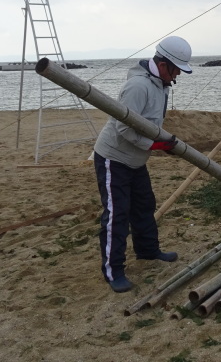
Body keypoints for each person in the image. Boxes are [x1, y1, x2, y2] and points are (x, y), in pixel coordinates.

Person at [93, 35, 192, 292]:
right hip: (114, 158)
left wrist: (161, 141)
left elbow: (151, 123)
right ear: (163, 64)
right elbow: (123, 128)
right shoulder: (138, 87)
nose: (178, 75)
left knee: (144, 204)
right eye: (177, 70)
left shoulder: (161, 85)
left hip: (136, 160)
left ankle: (148, 251)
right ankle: (113, 271)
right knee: (117, 214)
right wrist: (155, 146)